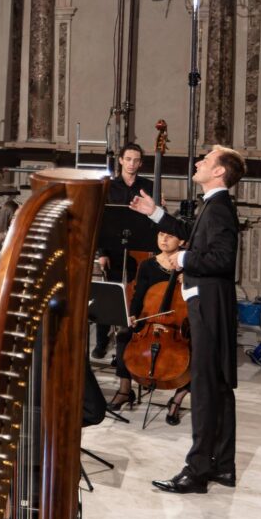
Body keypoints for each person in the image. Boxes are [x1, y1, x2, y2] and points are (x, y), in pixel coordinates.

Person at [130, 145, 244, 494]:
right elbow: (189, 231)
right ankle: (222, 466)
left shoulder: (219, 208)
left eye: (206, 161)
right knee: (218, 386)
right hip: (210, 303)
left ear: (219, 171)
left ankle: (196, 472)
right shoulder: (214, 204)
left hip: (209, 305)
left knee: (206, 388)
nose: (198, 163)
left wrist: (183, 259)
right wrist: (155, 213)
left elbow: (223, 259)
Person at [107, 230, 189, 419]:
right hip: (149, 320)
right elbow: (139, 295)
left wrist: (191, 280)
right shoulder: (147, 265)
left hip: (177, 325)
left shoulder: (189, 266)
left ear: (182, 241)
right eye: (161, 235)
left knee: (201, 349)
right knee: (124, 335)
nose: (164, 239)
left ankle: (177, 398)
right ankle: (125, 390)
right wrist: (132, 315)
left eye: (170, 236)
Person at [92, 143, 153, 358]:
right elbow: (101, 221)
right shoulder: (109, 186)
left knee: (136, 297)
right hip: (114, 250)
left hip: (139, 251)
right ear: (121, 160)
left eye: (136, 160)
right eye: (128, 159)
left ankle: (130, 343)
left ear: (141, 163)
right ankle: (102, 342)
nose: (131, 164)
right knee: (108, 297)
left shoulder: (148, 186)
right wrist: (102, 253)